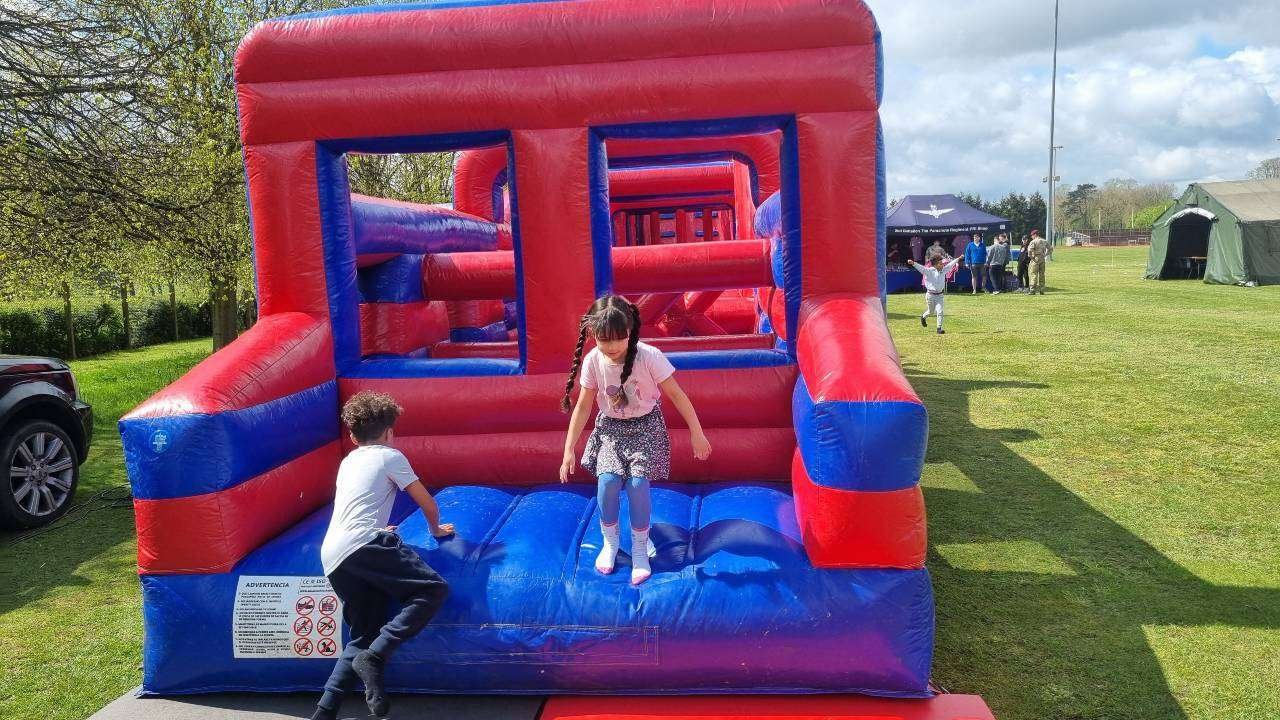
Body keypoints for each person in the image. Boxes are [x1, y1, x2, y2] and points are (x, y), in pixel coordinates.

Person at [314, 391, 454, 720]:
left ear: (352, 435)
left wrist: (379, 528)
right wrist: (435, 531)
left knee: (362, 634)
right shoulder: (390, 456)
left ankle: (324, 711)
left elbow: (355, 507)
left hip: (334, 554)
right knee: (432, 590)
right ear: (391, 432)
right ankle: (375, 657)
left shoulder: (348, 461)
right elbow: (427, 503)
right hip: (364, 543)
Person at [560, 295, 711, 585]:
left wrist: (697, 432)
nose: (613, 347)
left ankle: (640, 548)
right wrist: (568, 450)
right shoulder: (593, 361)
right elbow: (582, 406)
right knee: (607, 483)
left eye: (620, 339)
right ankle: (610, 542)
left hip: (645, 428)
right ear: (593, 336)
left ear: (631, 332)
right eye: (605, 340)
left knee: (638, 484)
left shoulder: (648, 356)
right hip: (611, 430)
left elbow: (677, 394)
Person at [908, 250, 962, 334]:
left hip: (940, 295)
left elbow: (950, 265)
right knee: (931, 312)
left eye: (942, 263)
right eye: (940, 264)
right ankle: (923, 316)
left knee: (940, 311)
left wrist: (958, 259)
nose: (942, 265)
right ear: (935, 265)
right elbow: (921, 268)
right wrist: (913, 263)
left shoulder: (944, 270)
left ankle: (939, 328)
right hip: (930, 295)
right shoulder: (929, 271)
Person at [1027, 229, 1051, 295]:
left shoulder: (1033, 241)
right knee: (1042, 275)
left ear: (1035, 235)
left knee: (1034, 274)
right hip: (1042, 259)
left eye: (1032, 235)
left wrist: (1031, 257)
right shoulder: (1044, 241)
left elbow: (1029, 251)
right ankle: (1042, 290)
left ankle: (1032, 290)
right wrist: (1045, 254)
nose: (1031, 237)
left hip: (1035, 259)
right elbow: (1050, 249)